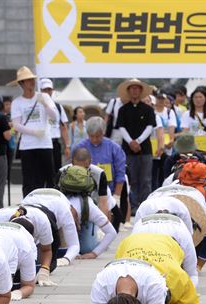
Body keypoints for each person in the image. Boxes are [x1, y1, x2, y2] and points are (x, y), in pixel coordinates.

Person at [7, 66, 59, 197]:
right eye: (27, 80)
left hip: (45, 143)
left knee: (49, 177)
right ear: (21, 83)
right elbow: (16, 125)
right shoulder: (17, 103)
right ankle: (28, 206)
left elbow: (54, 117)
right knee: (29, 179)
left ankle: (51, 205)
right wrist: (34, 132)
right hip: (28, 145)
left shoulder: (44, 97)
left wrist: (45, 104)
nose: (32, 82)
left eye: (32, 79)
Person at [74, 116, 128, 226]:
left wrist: (116, 196)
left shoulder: (114, 148)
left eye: (98, 136)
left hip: (110, 190)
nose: (94, 139)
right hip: (85, 192)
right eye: (91, 136)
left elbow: (120, 173)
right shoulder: (79, 148)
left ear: (103, 132)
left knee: (111, 225)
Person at [0, 205, 57, 287]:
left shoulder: (42, 222)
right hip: (4, 220)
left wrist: (45, 269)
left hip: (41, 209)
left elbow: (46, 250)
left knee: (45, 265)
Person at [58, 167, 117, 259]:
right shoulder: (88, 205)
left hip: (84, 222)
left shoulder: (87, 206)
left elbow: (112, 233)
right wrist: (94, 253)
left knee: (86, 248)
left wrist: (93, 253)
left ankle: (95, 235)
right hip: (63, 231)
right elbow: (111, 232)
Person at [116, 79, 156, 213]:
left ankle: (145, 206)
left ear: (141, 91)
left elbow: (150, 127)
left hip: (145, 150)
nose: (134, 91)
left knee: (145, 179)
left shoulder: (148, 109)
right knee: (130, 178)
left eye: (137, 88)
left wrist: (138, 141)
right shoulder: (122, 110)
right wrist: (130, 142)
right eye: (132, 88)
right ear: (128, 91)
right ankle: (131, 206)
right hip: (127, 150)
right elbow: (121, 127)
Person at [132, 213, 199, 287]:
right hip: (144, 239)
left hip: (142, 237)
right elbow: (192, 274)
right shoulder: (182, 234)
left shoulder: (182, 234)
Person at [0, 222, 38, 301]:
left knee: (8, 288)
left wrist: (19, 293)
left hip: (20, 245)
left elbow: (29, 286)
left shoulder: (25, 250)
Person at [40, 79, 71, 171]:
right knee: (41, 171)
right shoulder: (37, 106)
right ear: (41, 91)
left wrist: (67, 146)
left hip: (54, 143)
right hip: (41, 143)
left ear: (52, 90)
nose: (47, 92)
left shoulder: (58, 107)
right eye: (45, 90)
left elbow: (63, 127)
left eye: (49, 90)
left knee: (55, 170)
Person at [179, 87, 206, 154]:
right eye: (195, 97)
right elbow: (184, 132)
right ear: (192, 99)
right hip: (191, 148)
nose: (198, 99)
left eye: (200, 97)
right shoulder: (186, 114)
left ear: (205, 98)